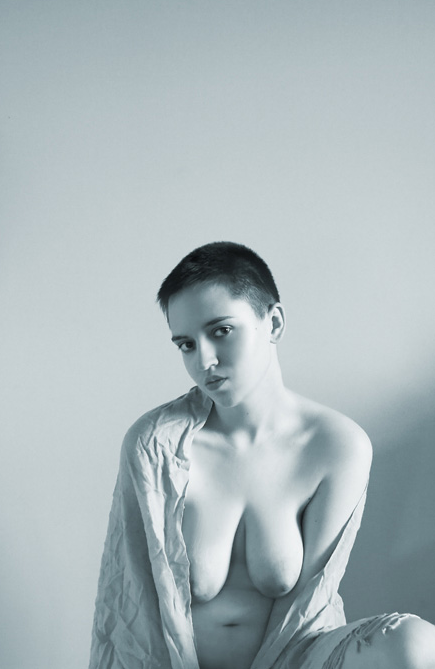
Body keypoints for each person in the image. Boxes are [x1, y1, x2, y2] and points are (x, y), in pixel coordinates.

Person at [89, 241, 435, 669]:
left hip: (298, 658)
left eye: (221, 331)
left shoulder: (338, 445)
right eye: (186, 345)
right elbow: (130, 606)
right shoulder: (155, 444)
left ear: (273, 322)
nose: (204, 361)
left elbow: (308, 603)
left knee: (416, 644)